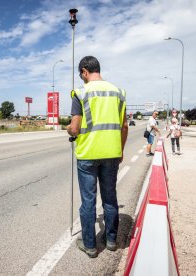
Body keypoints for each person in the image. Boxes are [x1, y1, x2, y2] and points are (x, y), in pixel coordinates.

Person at [67, 56, 128, 258]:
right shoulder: (118, 93)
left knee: (88, 201)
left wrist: (69, 129)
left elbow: (75, 128)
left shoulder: (81, 93)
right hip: (111, 153)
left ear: (85, 71)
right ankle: (111, 240)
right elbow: (124, 126)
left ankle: (90, 245)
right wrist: (120, 150)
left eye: (81, 75)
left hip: (88, 155)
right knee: (110, 199)